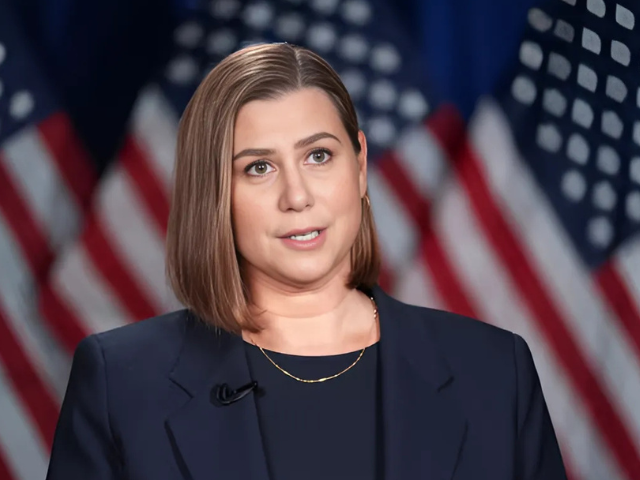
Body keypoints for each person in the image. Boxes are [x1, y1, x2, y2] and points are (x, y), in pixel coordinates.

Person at [46, 42, 567, 480]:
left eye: (319, 156)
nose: (297, 196)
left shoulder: (496, 372)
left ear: (359, 166)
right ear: (212, 194)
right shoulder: (121, 383)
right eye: (258, 167)